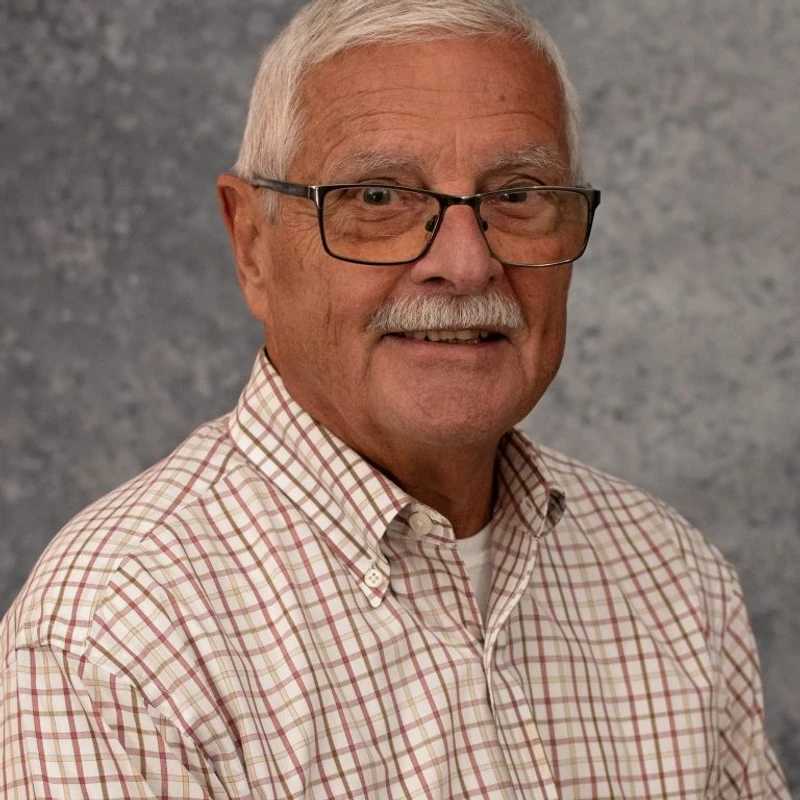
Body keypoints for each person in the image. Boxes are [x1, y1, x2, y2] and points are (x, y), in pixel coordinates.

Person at [0, 0, 790, 797]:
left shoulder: (674, 579)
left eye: (517, 195)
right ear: (252, 245)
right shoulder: (119, 640)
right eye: (378, 198)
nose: (466, 264)